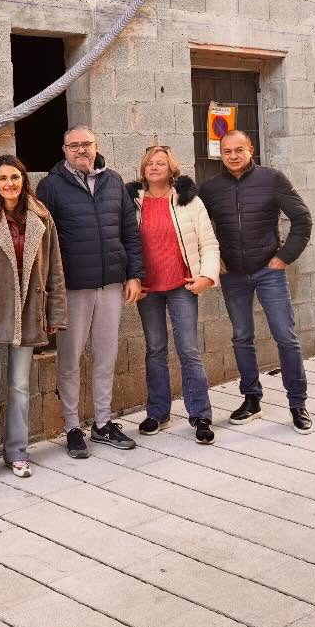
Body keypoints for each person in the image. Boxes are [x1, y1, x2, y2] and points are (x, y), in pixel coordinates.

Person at [0, 154, 67, 491]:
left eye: (15, 178)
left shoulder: (41, 217)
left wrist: (55, 313)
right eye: (3, 178)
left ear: (23, 180)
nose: (9, 184)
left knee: (20, 387)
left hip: (28, 310)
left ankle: (17, 452)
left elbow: (55, 271)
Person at [35, 126, 144, 457]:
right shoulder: (50, 186)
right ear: (64, 149)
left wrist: (134, 275)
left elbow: (130, 230)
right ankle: (71, 427)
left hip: (111, 283)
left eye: (87, 144)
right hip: (72, 288)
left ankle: (101, 423)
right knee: (69, 359)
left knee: (106, 356)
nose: (81, 150)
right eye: (74, 145)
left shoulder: (113, 181)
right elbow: (43, 242)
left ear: (97, 146)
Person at [198, 130, 315, 434]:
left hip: (268, 271)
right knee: (241, 337)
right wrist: (213, 260)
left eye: (239, 150)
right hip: (233, 275)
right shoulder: (211, 189)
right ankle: (252, 399)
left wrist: (285, 256)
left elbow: (302, 219)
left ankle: (297, 403)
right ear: (219, 154)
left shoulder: (272, 179)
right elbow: (196, 228)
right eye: (226, 152)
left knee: (285, 337)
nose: (233, 156)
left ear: (250, 149)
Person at [126, 145, 220, 444]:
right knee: (155, 350)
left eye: (161, 163)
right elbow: (124, 244)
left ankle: (200, 415)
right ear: (143, 168)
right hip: (148, 288)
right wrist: (132, 279)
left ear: (171, 169)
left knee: (189, 350)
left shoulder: (188, 200)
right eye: (150, 163)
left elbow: (209, 242)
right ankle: (158, 413)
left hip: (182, 285)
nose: (154, 168)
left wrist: (207, 276)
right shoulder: (133, 202)